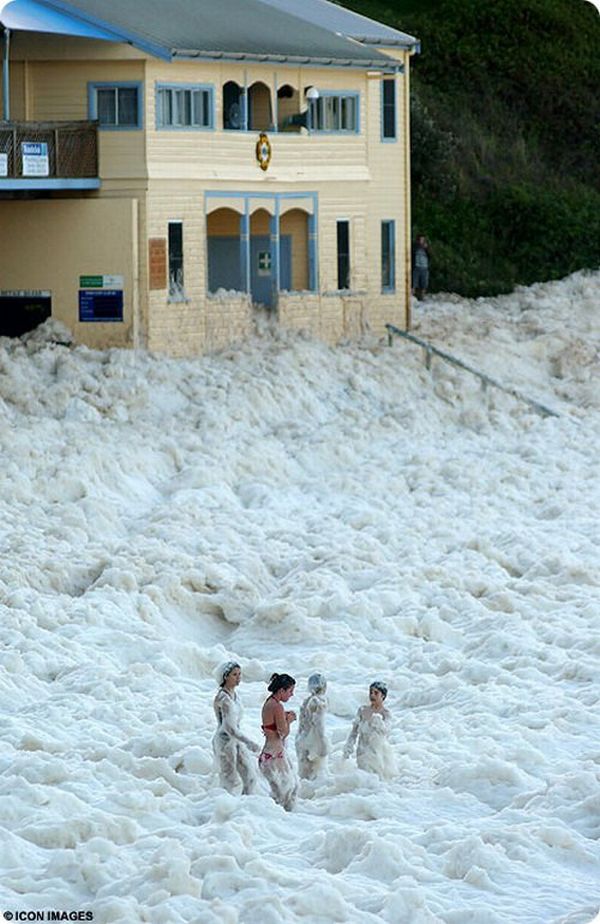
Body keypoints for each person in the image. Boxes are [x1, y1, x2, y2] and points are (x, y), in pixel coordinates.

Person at [212, 661, 260, 794]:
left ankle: (244, 808)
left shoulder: (235, 695)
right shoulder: (223, 698)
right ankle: (224, 809)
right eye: (234, 675)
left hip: (236, 740)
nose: (238, 677)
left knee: (250, 777)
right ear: (225, 676)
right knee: (229, 781)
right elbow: (229, 728)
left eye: (240, 674)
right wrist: (249, 742)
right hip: (225, 742)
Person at [259, 673, 298, 810]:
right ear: (281, 690)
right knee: (286, 792)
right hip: (274, 757)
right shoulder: (277, 706)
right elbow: (283, 733)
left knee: (281, 794)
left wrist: (283, 717)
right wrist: (289, 720)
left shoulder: (270, 702)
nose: (291, 695)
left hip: (269, 755)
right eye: (290, 691)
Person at [343, 681, 396, 779]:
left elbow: (387, 731)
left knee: (376, 779)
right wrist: (349, 746)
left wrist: (379, 722)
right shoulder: (363, 710)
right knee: (364, 777)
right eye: (371, 692)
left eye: (376, 693)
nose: (372, 695)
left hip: (378, 753)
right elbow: (354, 731)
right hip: (362, 751)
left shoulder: (386, 713)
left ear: (383, 696)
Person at [295, 672, 329, 780]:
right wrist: (323, 744)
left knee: (303, 774)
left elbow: (302, 724)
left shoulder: (307, 701)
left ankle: (302, 796)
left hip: (301, 740)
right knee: (315, 775)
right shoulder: (319, 702)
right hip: (313, 742)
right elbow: (319, 725)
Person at [412, 234, 430, 301]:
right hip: (416, 267)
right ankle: (412, 296)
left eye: (423, 239)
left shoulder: (426, 247)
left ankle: (422, 297)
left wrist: (426, 248)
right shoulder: (415, 247)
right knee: (414, 283)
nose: (421, 241)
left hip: (424, 267)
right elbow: (412, 252)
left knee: (424, 284)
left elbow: (430, 255)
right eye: (420, 239)